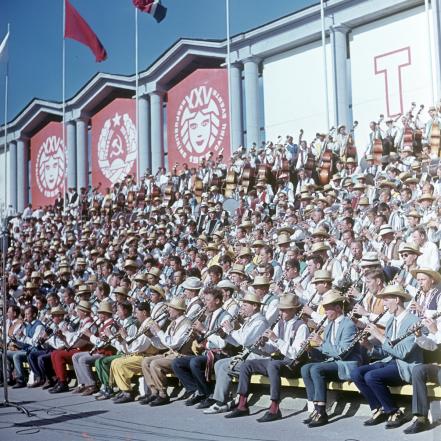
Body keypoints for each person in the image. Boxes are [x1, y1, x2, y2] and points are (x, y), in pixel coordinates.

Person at [224, 294, 309, 422]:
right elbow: (272, 349)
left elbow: (295, 354)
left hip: (293, 364)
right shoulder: (280, 323)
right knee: (247, 364)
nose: (281, 313)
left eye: (284, 310)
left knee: (272, 365)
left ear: (293, 310)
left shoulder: (301, 326)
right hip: (280, 361)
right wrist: (264, 344)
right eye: (280, 309)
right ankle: (242, 405)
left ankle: (274, 408)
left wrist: (276, 339)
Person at [350, 285, 424, 429]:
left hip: (405, 366)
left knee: (371, 376)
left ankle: (394, 411)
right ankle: (378, 408)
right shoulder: (391, 321)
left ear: (397, 299)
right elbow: (387, 352)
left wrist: (379, 335)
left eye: (386, 299)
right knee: (356, 373)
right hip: (391, 362)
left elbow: (402, 353)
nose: (383, 303)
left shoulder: (414, 321)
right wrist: (369, 347)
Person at [301, 290, 362, 427]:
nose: (325, 312)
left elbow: (342, 353)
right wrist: (310, 349)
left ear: (338, 308)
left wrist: (321, 342)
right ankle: (315, 408)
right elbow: (325, 354)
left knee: (316, 369)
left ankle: (322, 412)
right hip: (333, 363)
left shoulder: (349, 325)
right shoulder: (329, 326)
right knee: (305, 368)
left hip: (346, 364)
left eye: (327, 309)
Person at [140, 297, 193, 406]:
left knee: (155, 363)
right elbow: (164, 344)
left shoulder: (186, 323)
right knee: (146, 361)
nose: (168, 310)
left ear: (178, 310)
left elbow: (173, 344)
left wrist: (159, 331)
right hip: (170, 354)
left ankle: (163, 394)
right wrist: (151, 337)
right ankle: (154, 392)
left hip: (181, 356)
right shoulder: (173, 323)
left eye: (170, 308)